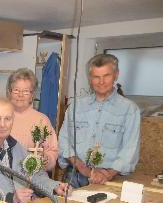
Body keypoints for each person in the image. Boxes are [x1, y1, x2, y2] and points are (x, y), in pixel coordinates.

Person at [0, 97, 69, 203]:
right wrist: (10, 199)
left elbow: (35, 174)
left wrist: (54, 187)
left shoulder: (15, 146)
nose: (2, 124)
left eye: (7, 119)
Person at [58, 54, 140, 187]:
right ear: (90, 78)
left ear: (116, 75)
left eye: (106, 75)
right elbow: (64, 141)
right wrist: (84, 169)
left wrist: (107, 174)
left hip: (111, 180)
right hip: (75, 176)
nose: (101, 81)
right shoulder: (76, 107)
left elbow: (130, 150)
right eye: (96, 77)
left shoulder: (129, 110)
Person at [6, 68, 58, 171]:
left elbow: (53, 151)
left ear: (32, 95)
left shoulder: (42, 120)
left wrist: (46, 158)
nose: (20, 95)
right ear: (9, 92)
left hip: (33, 178)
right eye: (16, 90)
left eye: (25, 91)